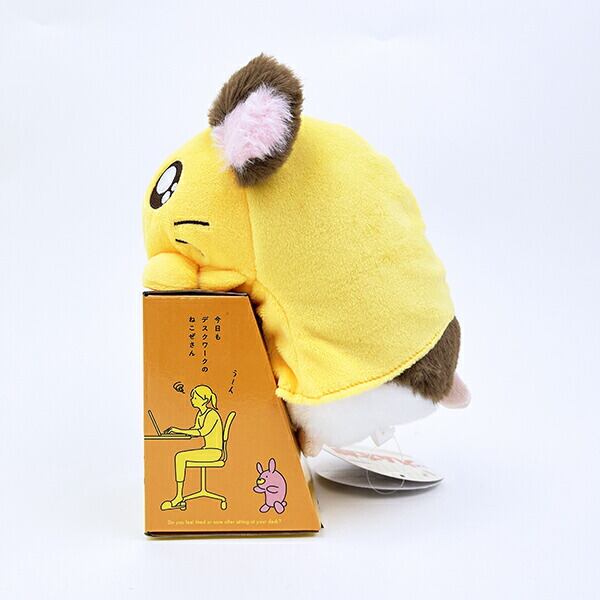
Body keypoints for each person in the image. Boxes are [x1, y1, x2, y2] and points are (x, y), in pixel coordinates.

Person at [160, 385, 223, 510]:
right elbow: (195, 430)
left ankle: (178, 497)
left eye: (195, 397)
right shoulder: (200, 414)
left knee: (180, 457)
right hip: (207, 450)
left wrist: (178, 430)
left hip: (214, 452)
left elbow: (202, 432)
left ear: (204, 400)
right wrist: (178, 433)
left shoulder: (212, 414)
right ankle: (179, 496)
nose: (192, 399)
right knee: (180, 457)